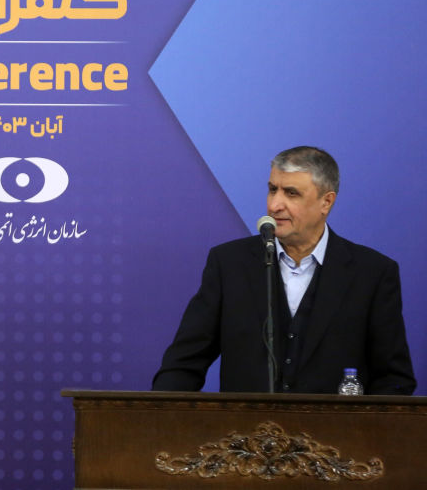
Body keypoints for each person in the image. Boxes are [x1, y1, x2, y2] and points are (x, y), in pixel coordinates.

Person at [152, 146, 415, 395]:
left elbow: (394, 379)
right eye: (272, 189)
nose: (275, 205)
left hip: (334, 440)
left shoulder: (372, 273)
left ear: (326, 202)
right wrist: (159, 421)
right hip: (242, 438)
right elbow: (183, 365)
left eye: (291, 193)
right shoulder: (229, 264)